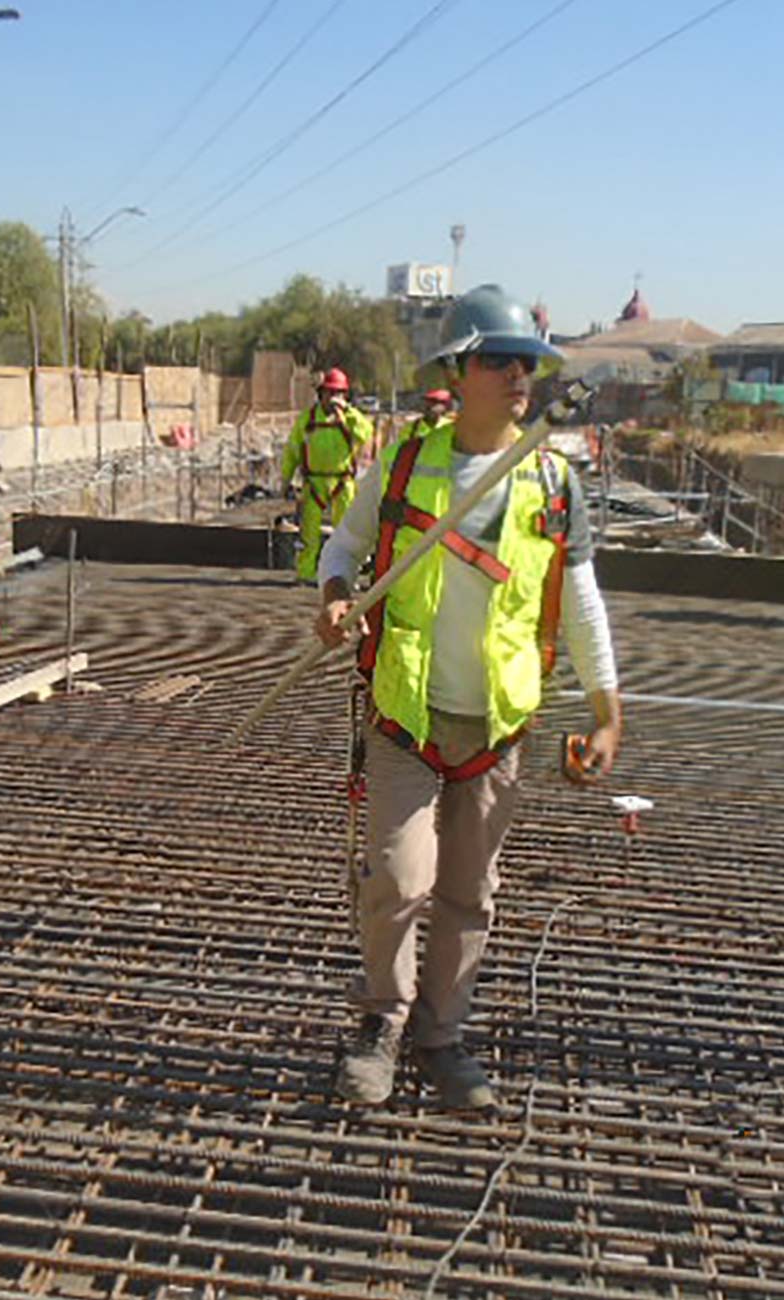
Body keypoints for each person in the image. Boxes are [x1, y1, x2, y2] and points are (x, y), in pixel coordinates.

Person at [315, 283, 621, 1110]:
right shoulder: (409, 461)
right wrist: (335, 592)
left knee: (467, 895)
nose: (518, 376)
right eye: (499, 359)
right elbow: (342, 543)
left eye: (527, 362)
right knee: (396, 879)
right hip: (405, 716)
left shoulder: (553, 479)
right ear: (460, 366)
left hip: (496, 725)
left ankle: (442, 1037)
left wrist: (606, 708)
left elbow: (581, 598)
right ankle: (381, 1021)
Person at [280, 368, 375, 582]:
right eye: (330, 393)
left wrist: (347, 413)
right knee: (309, 533)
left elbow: (365, 433)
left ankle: (346, 575)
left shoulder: (350, 419)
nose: (334, 398)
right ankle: (306, 573)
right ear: (321, 393)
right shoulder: (308, 419)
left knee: (348, 533)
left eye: (339, 393)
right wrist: (285, 479)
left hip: (343, 482)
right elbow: (292, 450)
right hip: (314, 483)